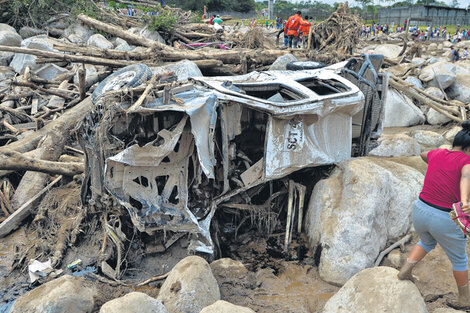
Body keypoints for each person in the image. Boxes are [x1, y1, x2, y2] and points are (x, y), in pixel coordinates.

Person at [398, 121, 470, 309]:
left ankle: (405, 270)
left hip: (420, 210)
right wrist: (464, 202)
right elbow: (466, 177)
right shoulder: (466, 162)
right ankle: (464, 300)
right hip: (444, 218)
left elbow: (423, 155)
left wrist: (436, 161)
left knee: (426, 242)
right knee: (460, 259)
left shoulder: (437, 153)